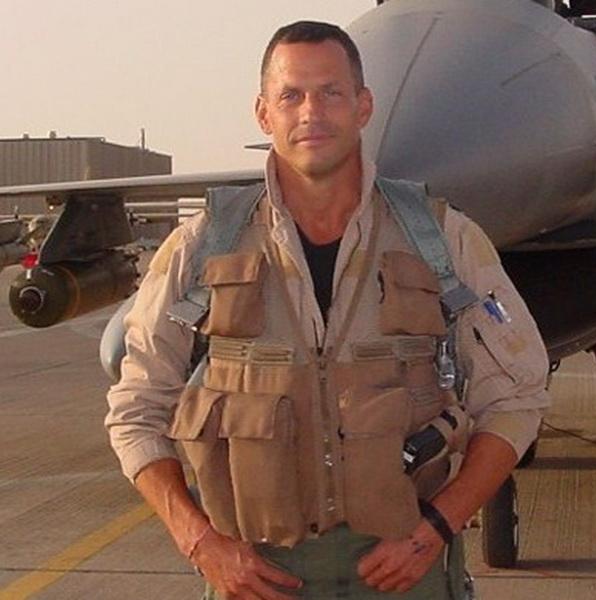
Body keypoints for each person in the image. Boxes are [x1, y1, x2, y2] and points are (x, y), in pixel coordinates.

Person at [106, 20, 550, 599]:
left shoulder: (443, 240)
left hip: (403, 571)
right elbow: (136, 408)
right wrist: (200, 543)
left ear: (363, 106)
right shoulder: (202, 246)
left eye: (331, 92)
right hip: (256, 575)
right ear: (263, 113)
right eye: (291, 95)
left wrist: (436, 529)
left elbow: (516, 396)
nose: (311, 112)